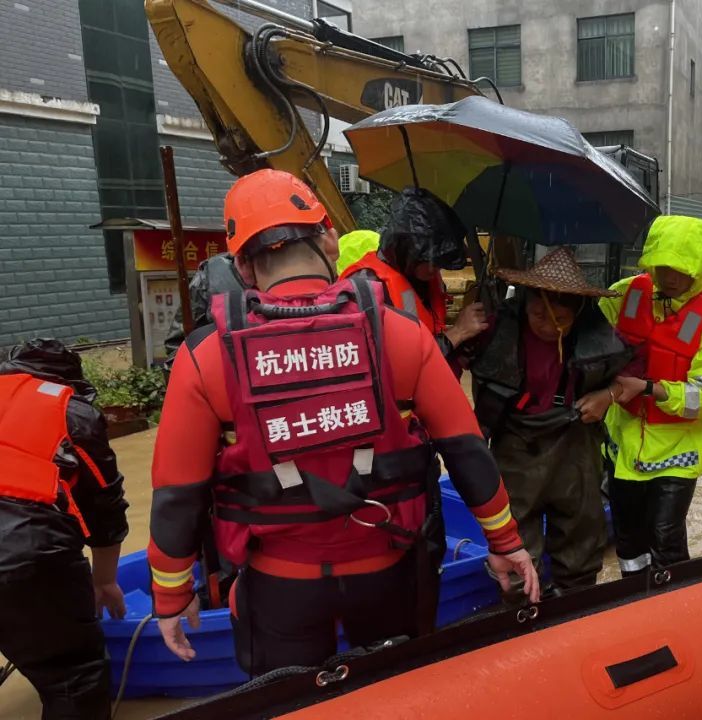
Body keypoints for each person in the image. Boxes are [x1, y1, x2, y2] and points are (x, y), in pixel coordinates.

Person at [149, 169, 537, 676]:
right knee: (394, 697)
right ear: (330, 240)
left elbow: (178, 492)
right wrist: (505, 543)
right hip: (387, 575)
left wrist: (171, 593)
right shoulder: (402, 334)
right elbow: (466, 450)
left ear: (241, 265)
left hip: (280, 587)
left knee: (292, 706)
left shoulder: (205, 357)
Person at [470, 247, 632, 595]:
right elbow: (442, 366)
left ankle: (575, 605)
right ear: (525, 305)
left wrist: (608, 395)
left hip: (575, 444)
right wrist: (457, 332)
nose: (548, 326)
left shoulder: (600, 335)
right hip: (515, 446)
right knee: (513, 541)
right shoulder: (497, 329)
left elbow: (635, 375)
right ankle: (522, 607)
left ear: (578, 312)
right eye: (538, 315)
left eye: (560, 318)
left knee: (581, 539)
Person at [598, 216, 702, 576]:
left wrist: (648, 388)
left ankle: (676, 599)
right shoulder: (626, 293)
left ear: (699, 269)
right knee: (628, 539)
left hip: (678, 450)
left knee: (666, 537)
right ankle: (634, 593)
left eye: (680, 269)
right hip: (623, 442)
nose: (669, 277)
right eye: (661, 266)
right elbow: (585, 324)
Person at [0, 339, 129, 720]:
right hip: (25, 554)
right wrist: (104, 580)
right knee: (73, 676)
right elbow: (104, 506)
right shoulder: (71, 412)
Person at [340, 187, 488, 358]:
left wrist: (461, 348)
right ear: (407, 251)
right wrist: (458, 333)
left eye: (439, 262)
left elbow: (430, 334)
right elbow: (390, 363)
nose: (436, 269)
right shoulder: (365, 288)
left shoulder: (423, 277)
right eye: (430, 261)